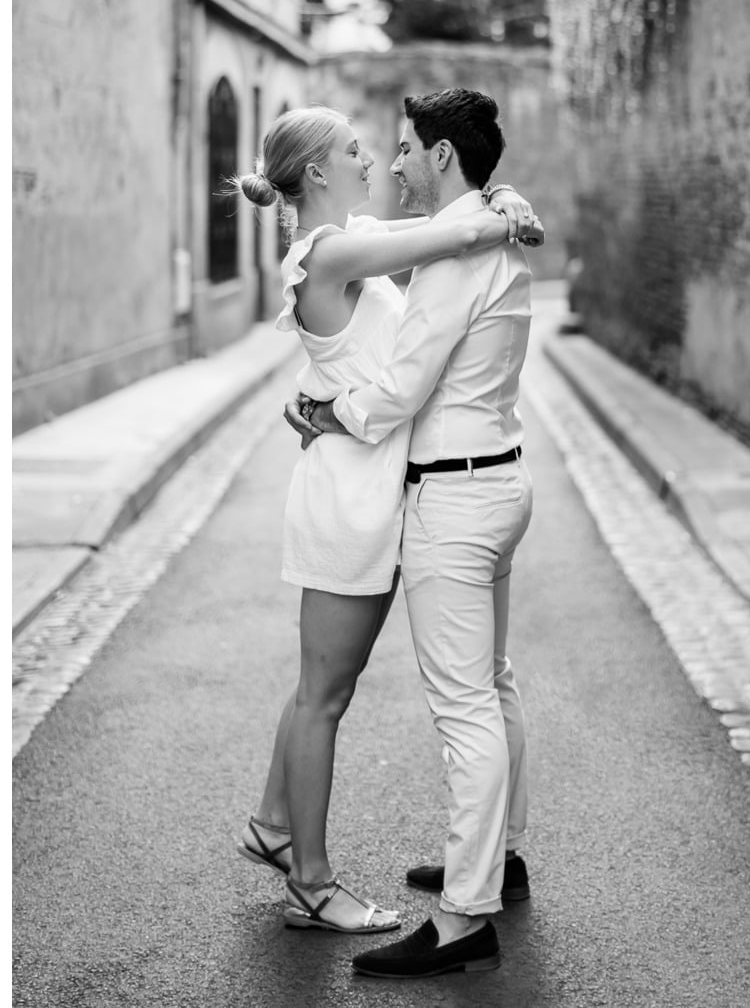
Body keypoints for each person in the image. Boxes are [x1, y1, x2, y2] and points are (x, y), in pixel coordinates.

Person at [230, 104, 543, 936]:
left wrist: (499, 195)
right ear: (317, 173)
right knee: (325, 697)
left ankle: (271, 826)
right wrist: (500, 208)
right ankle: (312, 882)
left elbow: (434, 241)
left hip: (375, 486)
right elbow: (442, 239)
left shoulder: (354, 236)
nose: (372, 157)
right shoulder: (330, 252)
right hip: (348, 501)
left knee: (320, 686)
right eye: (354, 149)